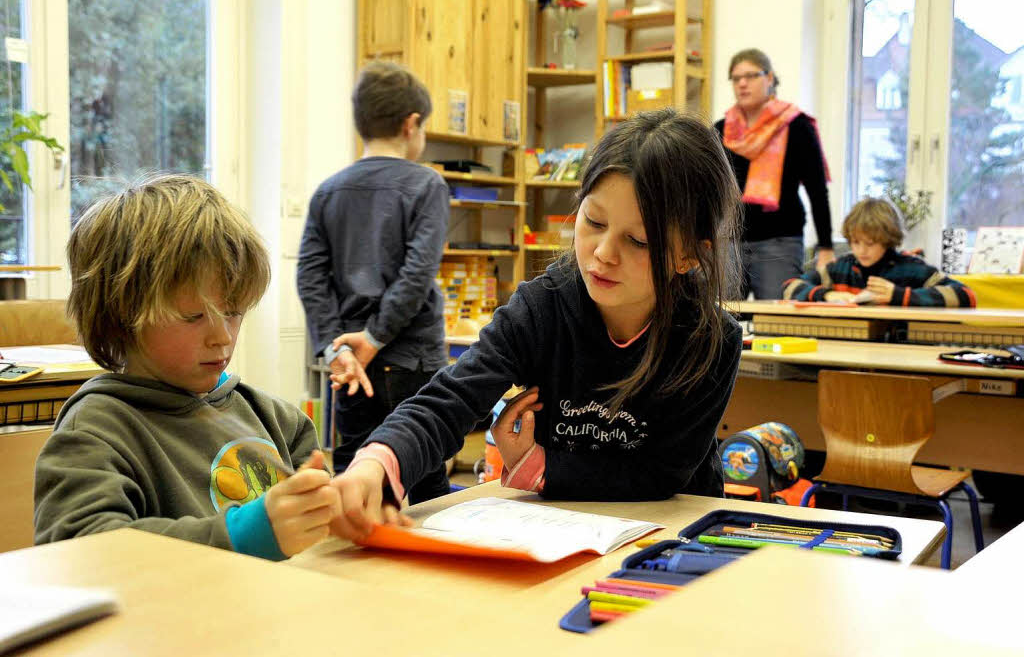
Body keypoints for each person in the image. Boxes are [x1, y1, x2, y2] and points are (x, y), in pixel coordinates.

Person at [328, 108, 745, 540]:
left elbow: (662, 474)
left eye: (638, 240)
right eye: (594, 221)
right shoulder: (543, 308)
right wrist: (376, 464)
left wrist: (540, 467)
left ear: (689, 255)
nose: (603, 252)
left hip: (676, 536)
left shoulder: (711, 342)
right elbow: (450, 399)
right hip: (560, 534)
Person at [35, 174, 340, 560]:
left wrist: (337, 511)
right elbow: (80, 551)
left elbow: (315, 533)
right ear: (122, 316)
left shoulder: (280, 421)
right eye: (194, 316)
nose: (223, 338)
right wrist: (242, 536)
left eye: (233, 313)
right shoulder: (97, 431)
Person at [296, 60, 451, 503]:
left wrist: (337, 348)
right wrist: (375, 335)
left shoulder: (328, 191)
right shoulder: (427, 186)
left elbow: (310, 276)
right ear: (412, 124)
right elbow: (417, 274)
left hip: (352, 365)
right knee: (423, 471)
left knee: (352, 468)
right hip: (412, 359)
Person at [714, 48, 834, 300]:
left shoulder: (796, 126)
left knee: (774, 324)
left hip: (779, 242)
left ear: (769, 78)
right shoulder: (721, 130)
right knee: (719, 323)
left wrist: (826, 246)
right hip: (729, 242)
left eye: (750, 76)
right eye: (736, 78)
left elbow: (817, 189)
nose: (742, 83)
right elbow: (706, 189)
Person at [782, 197, 976, 307]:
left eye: (871, 243)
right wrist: (826, 295)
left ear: (887, 240)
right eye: (855, 242)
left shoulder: (911, 268)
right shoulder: (842, 267)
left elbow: (966, 295)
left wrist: (899, 295)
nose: (861, 251)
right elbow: (789, 287)